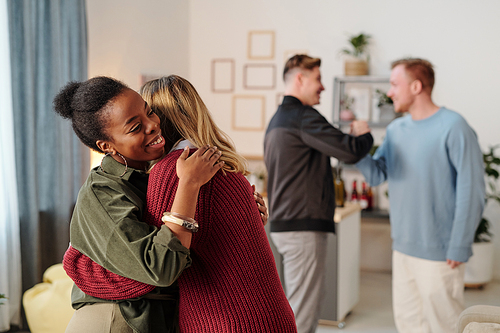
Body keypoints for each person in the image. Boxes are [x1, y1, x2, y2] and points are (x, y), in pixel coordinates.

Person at [53, 76, 224, 333]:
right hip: (114, 321)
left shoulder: (158, 174)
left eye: (150, 112)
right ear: (106, 146)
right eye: (135, 127)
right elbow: (161, 268)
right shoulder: (103, 193)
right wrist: (190, 185)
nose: (154, 125)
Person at [139, 75, 297, 332]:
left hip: (226, 321)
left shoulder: (170, 172)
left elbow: (156, 262)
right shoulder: (224, 164)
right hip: (271, 316)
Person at [355, 58, 485, 333]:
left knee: (445, 326)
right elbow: (377, 174)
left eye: (394, 84)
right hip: (402, 248)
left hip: (441, 252)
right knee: (408, 324)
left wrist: (460, 245)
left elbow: (471, 191)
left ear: (416, 86)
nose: (389, 92)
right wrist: (358, 148)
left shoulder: (454, 126)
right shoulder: (395, 130)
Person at [264, 54, 374, 333]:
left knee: (300, 307)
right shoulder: (302, 117)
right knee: (303, 315)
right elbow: (349, 150)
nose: (322, 87)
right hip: (302, 228)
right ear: (300, 79)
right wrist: (363, 134)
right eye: (318, 79)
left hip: (287, 225)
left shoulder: (279, 119)